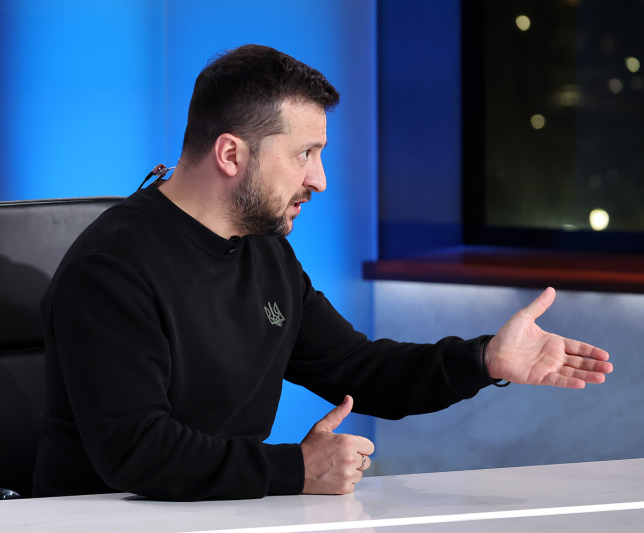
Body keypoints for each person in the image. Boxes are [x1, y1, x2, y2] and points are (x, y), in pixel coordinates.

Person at [31, 44, 612, 501]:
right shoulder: (112, 268)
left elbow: (358, 368)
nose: (320, 179)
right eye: (303, 154)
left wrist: (484, 359)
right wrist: (296, 469)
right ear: (231, 155)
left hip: (222, 513)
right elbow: (136, 452)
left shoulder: (263, 249)